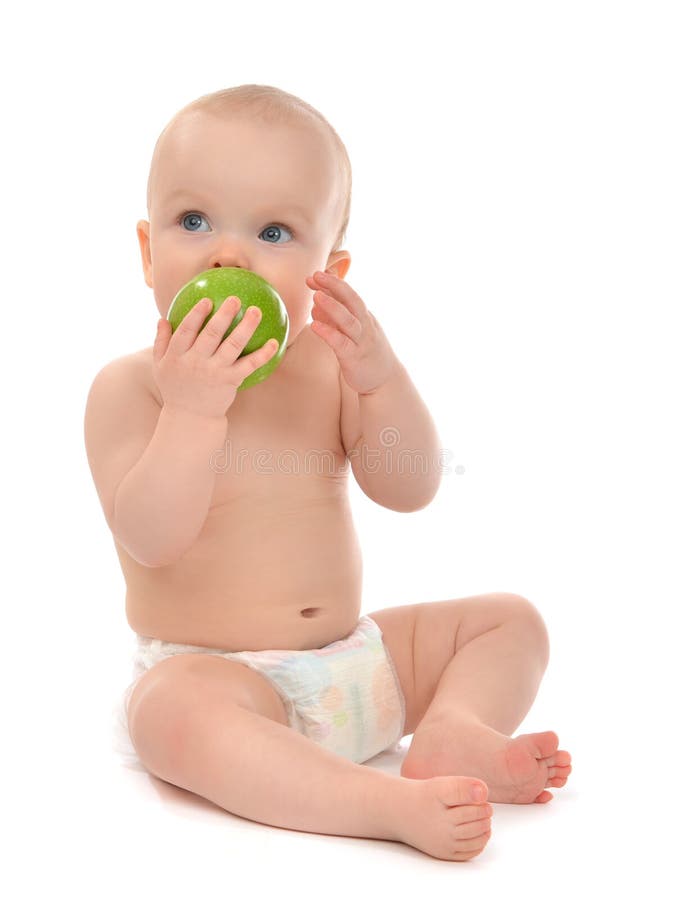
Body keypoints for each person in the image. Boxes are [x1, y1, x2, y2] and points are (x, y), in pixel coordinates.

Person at [84, 84, 571, 862]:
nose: (228, 254)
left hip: (360, 663)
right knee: (170, 716)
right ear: (148, 253)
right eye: (194, 221)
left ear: (326, 270)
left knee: (510, 619)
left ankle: (450, 732)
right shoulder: (130, 390)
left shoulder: (327, 370)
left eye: (273, 231)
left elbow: (408, 486)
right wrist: (192, 413)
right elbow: (151, 538)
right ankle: (380, 803)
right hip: (227, 686)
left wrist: (380, 379)